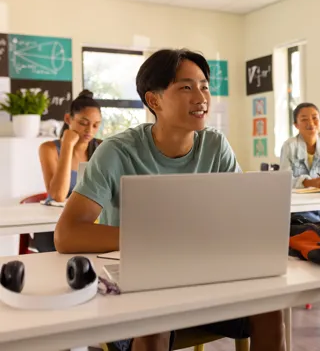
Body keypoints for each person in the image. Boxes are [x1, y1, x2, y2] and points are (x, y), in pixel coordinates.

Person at [54, 49, 284, 351]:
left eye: (204, 86)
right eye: (186, 87)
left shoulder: (215, 145)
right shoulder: (116, 151)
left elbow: (239, 215)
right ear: (154, 100)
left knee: (270, 308)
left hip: (203, 278)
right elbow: (67, 234)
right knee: (154, 326)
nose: (200, 97)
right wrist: (154, 238)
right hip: (140, 288)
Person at [37, 90, 101, 252]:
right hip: (55, 226)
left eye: (95, 125)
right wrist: (67, 146)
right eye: (83, 123)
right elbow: (58, 195)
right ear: (68, 119)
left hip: (90, 223)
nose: (90, 131)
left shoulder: (101, 148)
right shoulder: (49, 149)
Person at [280, 103, 320, 222]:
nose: (310, 122)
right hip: (299, 207)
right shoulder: (289, 146)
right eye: (304, 119)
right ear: (296, 125)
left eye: (315, 118)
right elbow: (284, 180)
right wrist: (309, 182)